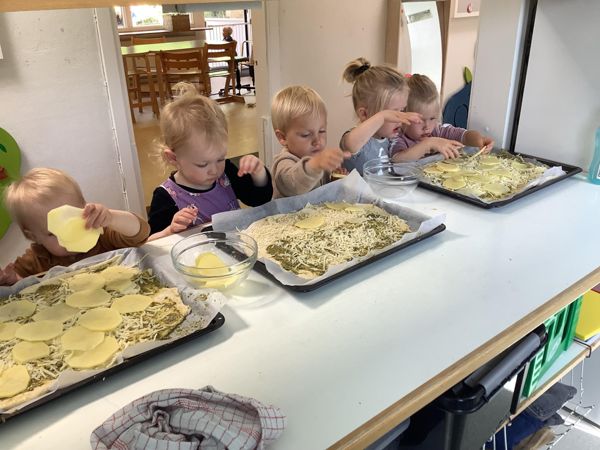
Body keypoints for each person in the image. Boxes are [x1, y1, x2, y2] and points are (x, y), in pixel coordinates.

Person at [147, 83, 272, 240]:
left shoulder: (226, 173)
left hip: (237, 248)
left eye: (220, 158)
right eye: (202, 164)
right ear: (173, 158)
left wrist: (259, 174)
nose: (214, 170)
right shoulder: (166, 197)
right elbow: (150, 243)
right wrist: (170, 231)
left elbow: (259, 200)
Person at [0, 168, 150, 285]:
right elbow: (22, 289)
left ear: (84, 208)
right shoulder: (34, 261)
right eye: (53, 234)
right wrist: (13, 279)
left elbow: (141, 234)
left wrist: (112, 218)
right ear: (33, 236)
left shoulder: (102, 236)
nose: (67, 236)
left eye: (73, 223)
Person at [340, 57, 422, 175]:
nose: (399, 119)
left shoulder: (389, 138)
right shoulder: (358, 141)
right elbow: (350, 145)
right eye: (392, 114)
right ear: (364, 114)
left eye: (401, 110)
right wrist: (382, 117)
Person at [391, 74, 495, 162]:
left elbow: (465, 136)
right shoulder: (398, 137)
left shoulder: (437, 130)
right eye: (419, 120)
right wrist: (428, 144)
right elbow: (397, 160)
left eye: (432, 118)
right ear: (403, 115)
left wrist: (480, 141)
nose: (427, 127)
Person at [270, 85, 350, 199]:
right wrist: (315, 165)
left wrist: (335, 179)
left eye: (321, 131)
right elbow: (294, 185)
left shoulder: (318, 159)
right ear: (283, 137)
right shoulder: (283, 163)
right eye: (305, 135)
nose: (317, 141)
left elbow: (322, 192)